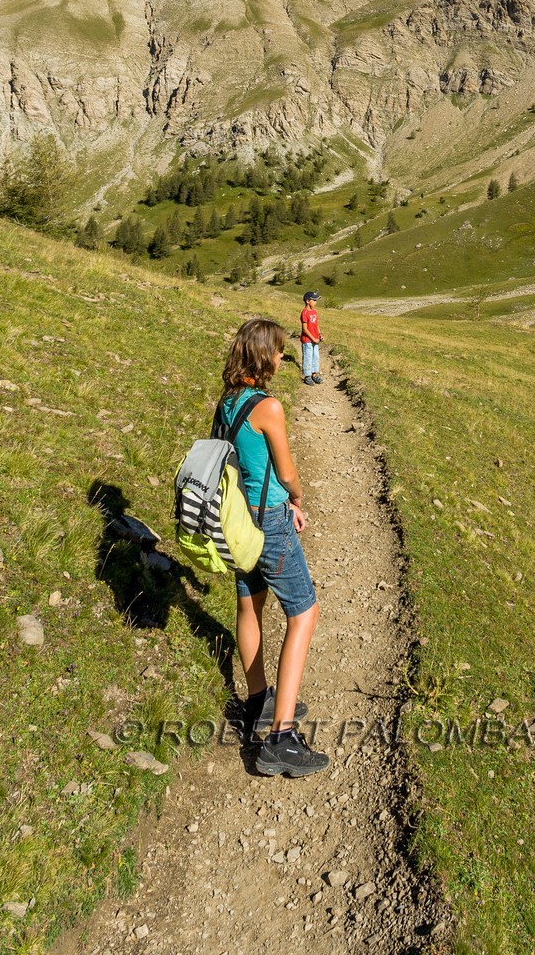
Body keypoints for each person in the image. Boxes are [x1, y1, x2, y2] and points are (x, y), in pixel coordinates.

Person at [217, 316, 328, 778]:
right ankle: (281, 739)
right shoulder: (268, 407)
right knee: (304, 613)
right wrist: (297, 498)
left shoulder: (228, 401)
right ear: (263, 355)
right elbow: (286, 473)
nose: (283, 356)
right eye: (279, 350)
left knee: (250, 605)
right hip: (271, 523)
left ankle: (259, 700)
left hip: (239, 519)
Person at [300, 290, 323, 385]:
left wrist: (320, 334)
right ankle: (307, 376)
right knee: (308, 357)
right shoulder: (304, 313)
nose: (315, 302)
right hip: (307, 340)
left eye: (316, 300)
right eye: (314, 300)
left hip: (315, 339)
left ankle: (314, 374)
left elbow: (316, 324)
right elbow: (304, 329)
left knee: (315, 357)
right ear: (307, 301)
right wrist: (313, 338)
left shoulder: (314, 311)